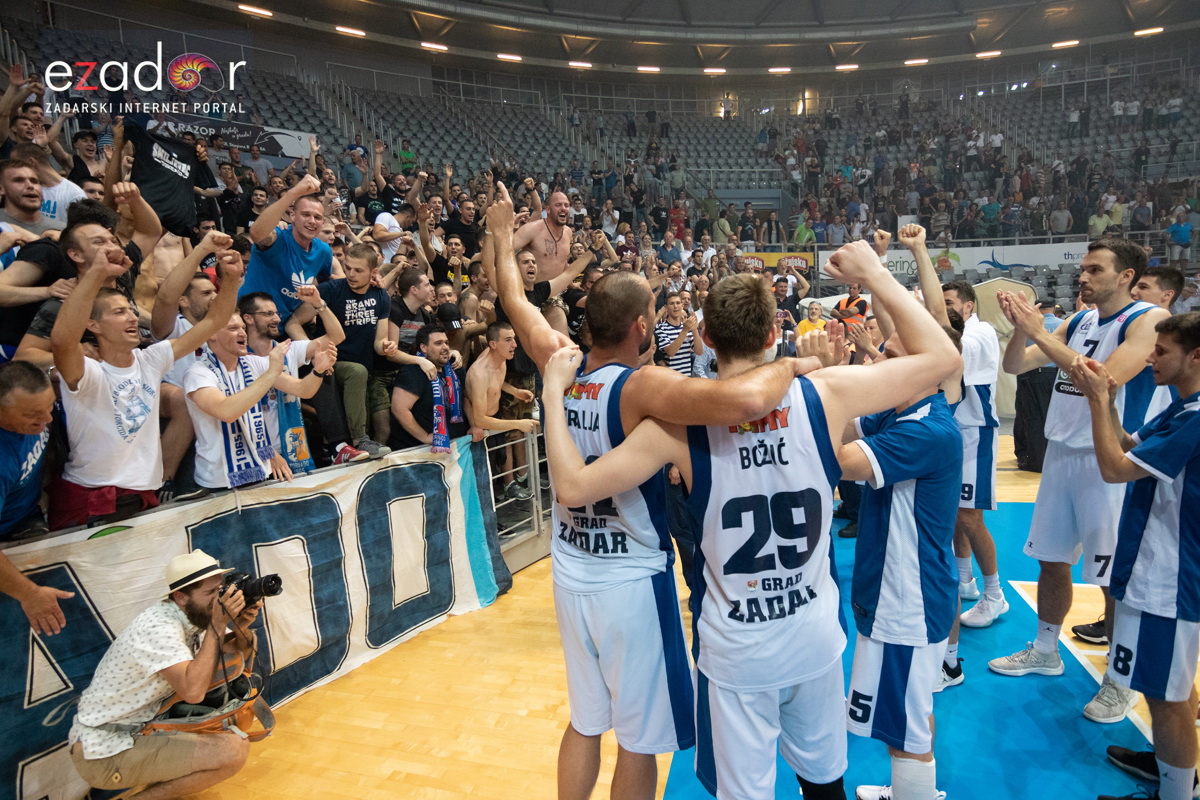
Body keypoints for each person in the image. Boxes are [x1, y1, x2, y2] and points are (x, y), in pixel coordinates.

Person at [540, 242, 962, 800]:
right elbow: (945, 360)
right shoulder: (826, 393)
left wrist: (551, 395)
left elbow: (571, 486)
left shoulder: (676, 428)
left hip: (736, 646)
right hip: (812, 634)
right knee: (824, 786)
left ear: (706, 339)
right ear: (772, 335)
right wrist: (876, 273)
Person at [487, 181, 827, 800]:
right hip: (629, 582)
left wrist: (499, 237)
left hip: (569, 573)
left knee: (585, 723)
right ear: (642, 325)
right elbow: (746, 398)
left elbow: (512, 298)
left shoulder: (557, 360)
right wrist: (794, 364)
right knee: (639, 740)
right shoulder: (641, 387)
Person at [989, 238, 1171, 726]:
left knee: (1114, 581)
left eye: (1095, 269)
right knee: (1050, 560)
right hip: (1062, 456)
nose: (1083, 277)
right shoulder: (1080, 320)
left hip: (1108, 463)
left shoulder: (1145, 321)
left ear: (1127, 276)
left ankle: (1118, 678)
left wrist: (1038, 331)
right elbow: (1015, 365)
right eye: (1083, 269)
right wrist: (1017, 330)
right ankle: (1046, 648)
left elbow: (1103, 380)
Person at [1068, 312, 1200, 800]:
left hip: (1169, 577)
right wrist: (1102, 402)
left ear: (1196, 356)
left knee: (1165, 698)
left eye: (1162, 352)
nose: (1150, 358)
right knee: (1172, 686)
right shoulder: (1183, 408)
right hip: (1162, 569)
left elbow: (1114, 468)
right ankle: (1173, 771)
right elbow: (1128, 443)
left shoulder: (1195, 419)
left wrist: (1099, 400)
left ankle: (1177, 792)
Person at [69, 550, 259, 799]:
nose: (219, 599)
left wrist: (240, 626)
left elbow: (224, 663)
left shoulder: (192, 615)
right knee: (232, 752)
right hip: (106, 749)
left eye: (220, 589)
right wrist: (218, 625)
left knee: (232, 724)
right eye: (210, 593)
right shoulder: (159, 628)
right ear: (180, 597)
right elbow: (193, 691)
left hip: (139, 728)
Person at [0, 360, 76, 633]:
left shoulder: (39, 414)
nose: (47, 419)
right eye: (32, 414)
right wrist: (30, 595)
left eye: (49, 406)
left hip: (26, 516)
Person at [240, 174, 332, 326]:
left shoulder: (323, 251)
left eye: (317, 217)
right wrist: (293, 193)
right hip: (249, 324)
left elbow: (327, 282)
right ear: (292, 216)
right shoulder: (278, 237)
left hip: (283, 328)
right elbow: (256, 234)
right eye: (305, 214)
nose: (311, 221)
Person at [389, 323, 472, 451]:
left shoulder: (455, 368)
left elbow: (465, 397)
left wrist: (474, 425)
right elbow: (399, 409)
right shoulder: (412, 371)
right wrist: (425, 436)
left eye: (446, 343)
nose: (445, 347)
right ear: (424, 347)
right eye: (438, 343)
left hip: (456, 447)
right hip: (420, 451)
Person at [1013, 298, 1063, 472]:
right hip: (1059, 376)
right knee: (1057, 418)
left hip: (1035, 375)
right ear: (1054, 308)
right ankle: (1055, 458)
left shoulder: (1028, 326)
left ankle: (1036, 460)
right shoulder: (1064, 325)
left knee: (1034, 419)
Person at [655, 291, 702, 375]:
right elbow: (671, 352)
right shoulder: (660, 328)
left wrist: (694, 330)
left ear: (682, 306)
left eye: (678, 303)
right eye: (672, 303)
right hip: (670, 379)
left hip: (686, 377)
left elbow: (699, 352)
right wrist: (684, 330)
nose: (676, 306)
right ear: (666, 308)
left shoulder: (687, 326)